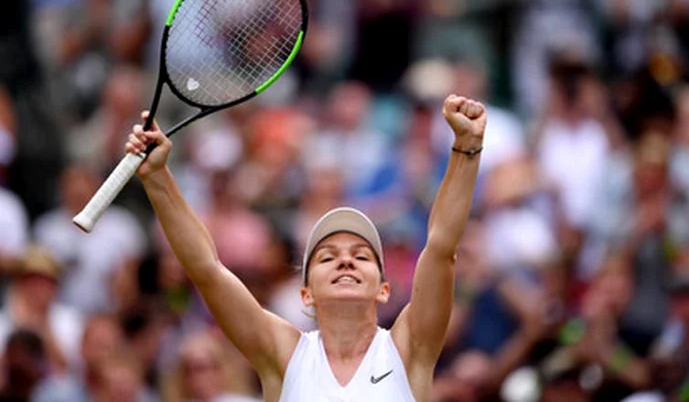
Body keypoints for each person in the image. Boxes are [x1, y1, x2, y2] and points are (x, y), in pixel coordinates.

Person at [124, 94, 487, 402]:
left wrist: (466, 147)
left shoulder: (409, 347)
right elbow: (206, 269)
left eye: (361, 256)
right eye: (328, 257)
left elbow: (441, 247)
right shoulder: (284, 354)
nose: (346, 260)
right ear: (306, 293)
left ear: (384, 290)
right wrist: (158, 179)